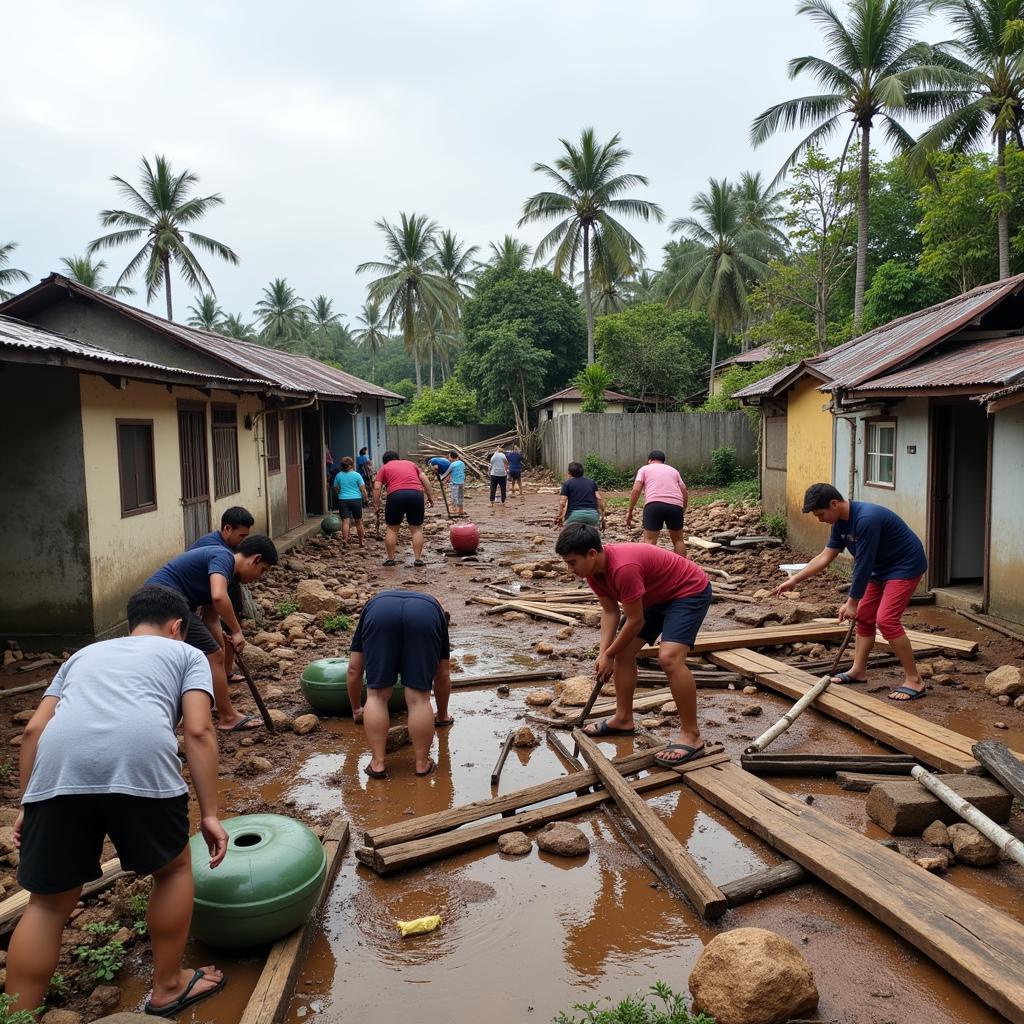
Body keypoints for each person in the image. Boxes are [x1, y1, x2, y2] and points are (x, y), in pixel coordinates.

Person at [6, 585, 228, 1018]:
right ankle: (167, 985)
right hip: (140, 765)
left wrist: (30, 804)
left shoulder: (83, 655)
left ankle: (15, 1015)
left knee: (47, 904)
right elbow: (199, 731)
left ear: (131, 625)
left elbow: (33, 730)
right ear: (178, 627)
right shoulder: (187, 655)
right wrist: (212, 815)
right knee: (174, 869)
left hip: (58, 772)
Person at [556, 523, 713, 767]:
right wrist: (605, 654)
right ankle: (623, 718)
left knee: (669, 658)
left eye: (572, 562)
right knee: (623, 654)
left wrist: (610, 652)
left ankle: (692, 736)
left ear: (592, 554)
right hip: (653, 596)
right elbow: (609, 613)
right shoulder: (593, 573)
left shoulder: (623, 568)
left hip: (687, 591)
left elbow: (636, 620)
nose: (569, 569)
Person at [774, 483, 929, 701]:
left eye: (820, 514)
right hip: (880, 567)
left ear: (834, 504)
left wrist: (852, 603)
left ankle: (915, 680)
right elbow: (825, 557)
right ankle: (858, 670)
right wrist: (795, 580)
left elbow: (863, 565)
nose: (819, 519)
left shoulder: (866, 519)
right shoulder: (839, 523)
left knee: (886, 620)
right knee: (865, 616)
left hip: (904, 565)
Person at [146, 535, 278, 731]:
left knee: (212, 654)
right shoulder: (223, 557)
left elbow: (211, 617)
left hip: (156, 602)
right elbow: (218, 597)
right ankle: (228, 716)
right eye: (262, 570)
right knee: (211, 656)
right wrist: (236, 630)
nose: (260, 576)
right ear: (255, 559)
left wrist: (224, 644)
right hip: (165, 602)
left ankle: (215, 706)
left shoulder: (229, 576)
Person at [346, 590, 453, 777]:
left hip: (380, 613)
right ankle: (421, 764)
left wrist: (356, 709)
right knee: (419, 698)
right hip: (425, 614)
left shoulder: (371, 606)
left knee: (377, 695)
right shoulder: (435, 609)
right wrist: (442, 716)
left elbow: (354, 670)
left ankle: (377, 763)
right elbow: (442, 674)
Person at [189, 507, 255, 685]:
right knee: (223, 630)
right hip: (201, 594)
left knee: (227, 623)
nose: (243, 541)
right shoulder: (216, 549)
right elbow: (216, 599)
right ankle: (216, 677)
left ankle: (224, 672)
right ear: (227, 529)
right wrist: (236, 631)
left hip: (217, 589)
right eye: (241, 536)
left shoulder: (230, 547)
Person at [373, 451, 435, 568]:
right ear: (398, 458)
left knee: (392, 529)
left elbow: (377, 487)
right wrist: (430, 497)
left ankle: (391, 559)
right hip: (415, 494)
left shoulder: (384, 467)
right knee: (416, 529)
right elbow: (425, 479)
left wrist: (376, 505)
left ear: (385, 461)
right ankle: (418, 559)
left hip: (395, 496)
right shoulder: (411, 464)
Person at [626, 450, 689, 556]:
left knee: (649, 541)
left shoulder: (645, 469)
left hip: (654, 504)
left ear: (649, 460)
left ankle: (650, 570)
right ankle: (682, 570)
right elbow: (685, 492)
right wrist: (682, 509)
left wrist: (630, 511)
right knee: (678, 540)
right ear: (663, 461)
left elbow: (636, 490)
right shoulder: (673, 471)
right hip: (675, 505)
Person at [556, 461, 606, 529]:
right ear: (582, 471)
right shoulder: (592, 482)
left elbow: (562, 502)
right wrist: (602, 517)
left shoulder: (567, 484)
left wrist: (560, 516)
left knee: (569, 537)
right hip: (592, 516)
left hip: (575, 516)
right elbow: (599, 499)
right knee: (593, 537)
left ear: (569, 472)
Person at [332, 457, 369, 546]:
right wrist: (366, 498)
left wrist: (339, 494)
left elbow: (336, 488)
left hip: (343, 500)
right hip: (356, 500)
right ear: (352, 465)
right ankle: (361, 541)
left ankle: (345, 540)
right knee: (358, 521)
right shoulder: (357, 475)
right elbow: (363, 489)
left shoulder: (338, 475)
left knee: (345, 521)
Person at [439, 450, 466, 516]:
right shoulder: (462, 463)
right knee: (460, 496)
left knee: (454, 496)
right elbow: (457, 472)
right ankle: (461, 510)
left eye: (449, 457)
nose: (448, 458)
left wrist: (440, 477)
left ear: (452, 457)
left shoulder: (452, 465)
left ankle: (454, 509)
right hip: (461, 482)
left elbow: (447, 473)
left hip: (455, 483)